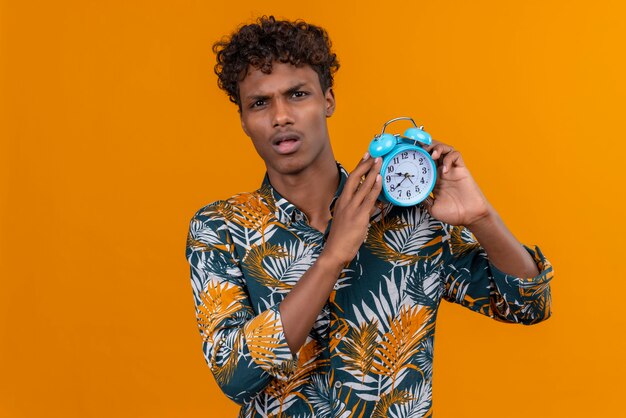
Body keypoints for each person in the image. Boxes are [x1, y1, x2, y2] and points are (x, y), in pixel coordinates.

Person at [185, 16, 553, 418]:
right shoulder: (221, 227)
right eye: (260, 102)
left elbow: (528, 305)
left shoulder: (410, 215)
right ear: (243, 119)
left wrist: (481, 217)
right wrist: (332, 258)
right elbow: (235, 376)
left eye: (297, 94)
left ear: (327, 100)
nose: (280, 116)